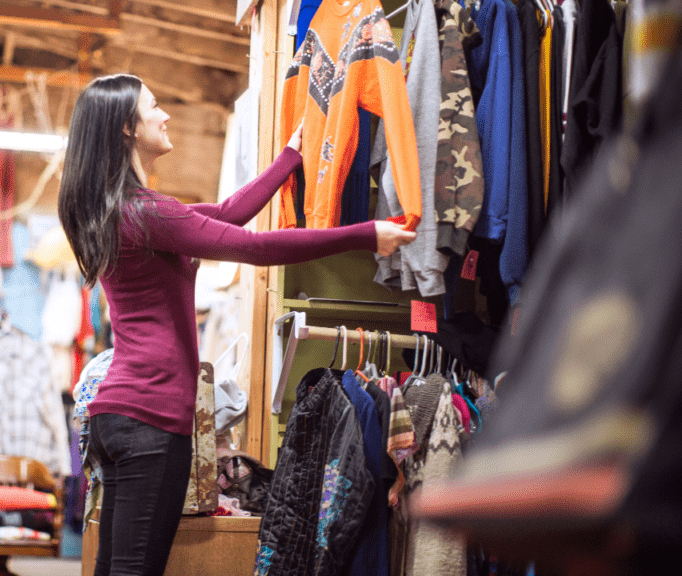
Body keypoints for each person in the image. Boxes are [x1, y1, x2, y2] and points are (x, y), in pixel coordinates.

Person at [58, 74, 416, 576]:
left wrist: (291, 156)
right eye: (154, 106)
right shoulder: (147, 213)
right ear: (126, 129)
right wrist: (365, 235)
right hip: (151, 418)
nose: (165, 115)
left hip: (117, 417)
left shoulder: (126, 212)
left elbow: (230, 214)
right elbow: (253, 248)